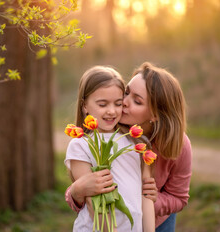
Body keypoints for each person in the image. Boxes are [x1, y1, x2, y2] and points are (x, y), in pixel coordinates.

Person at [65, 62, 192, 232]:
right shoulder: (104, 132)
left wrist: (153, 199)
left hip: (154, 220)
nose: (123, 103)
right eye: (126, 92)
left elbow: (178, 197)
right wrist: (77, 191)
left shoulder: (153, 145)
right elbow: (91, 192)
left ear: (155, 114)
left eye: (137, 101)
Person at [64, 65, 155, 232]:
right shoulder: (80, 146)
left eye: (118, 103)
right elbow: (92, 200)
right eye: (102, 104)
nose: (112, 111)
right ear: (85, 106)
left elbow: (147, 195)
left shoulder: (137, 143)